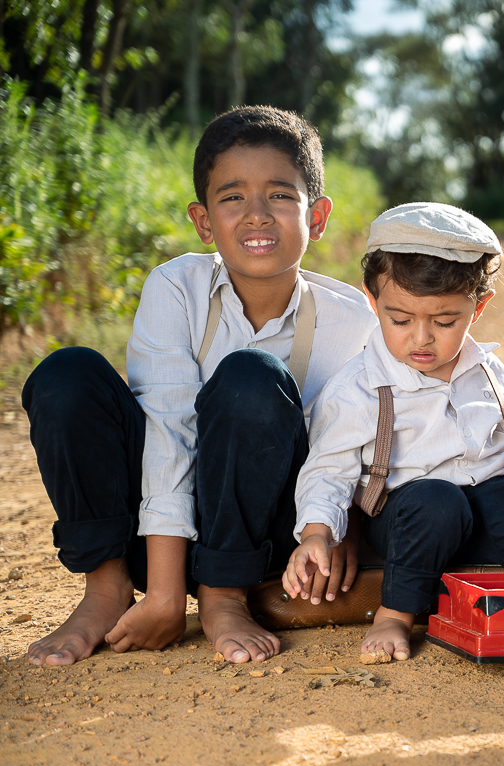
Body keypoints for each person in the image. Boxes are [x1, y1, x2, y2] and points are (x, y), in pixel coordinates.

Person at [21, 105, 377, 666]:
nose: (257, 215)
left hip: (267, 541)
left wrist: (345, 525)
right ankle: (107, 589)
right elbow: (168, 427)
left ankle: (223, 597)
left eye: (281, 195)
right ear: (204, 220)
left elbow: (364, 440)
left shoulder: (354, 317)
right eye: (232, 197)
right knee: (66, 375)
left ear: (318, 216)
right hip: (156, 537)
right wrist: (163, 593)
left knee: (250, 378)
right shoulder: (175, 287)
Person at [284, 202, 504, 661]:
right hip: (408, 518)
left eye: (444, 323)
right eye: (399, 319)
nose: (421, 338)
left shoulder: (486, 368)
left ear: (478, 309)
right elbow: (328, 470)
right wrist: (317, 534)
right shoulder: (358, 389)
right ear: (371, 299)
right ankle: (394, 615)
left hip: (489, 509)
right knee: (435, 500)